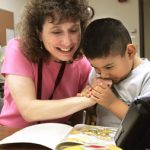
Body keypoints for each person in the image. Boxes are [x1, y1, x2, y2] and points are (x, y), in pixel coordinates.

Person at [0, 0, 96, 128]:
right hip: (14, 133)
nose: (67, 42)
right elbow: (29, 110)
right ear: (39, 33)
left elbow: (78, 111)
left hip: (56, 135)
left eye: (73, 30)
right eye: (56, 32)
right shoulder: (18, 49)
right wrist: (87, 99)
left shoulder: (82, 63)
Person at [81, 18, 150, 127]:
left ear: (130, 52)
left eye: (109, 67)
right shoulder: (96, 74)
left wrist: (112, 103)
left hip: (134, 143)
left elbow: (144, 124)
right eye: (96, 68)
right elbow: (93, 113)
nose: (103, 75)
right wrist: (88, 99)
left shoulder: (146, 76)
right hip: (100, 140)